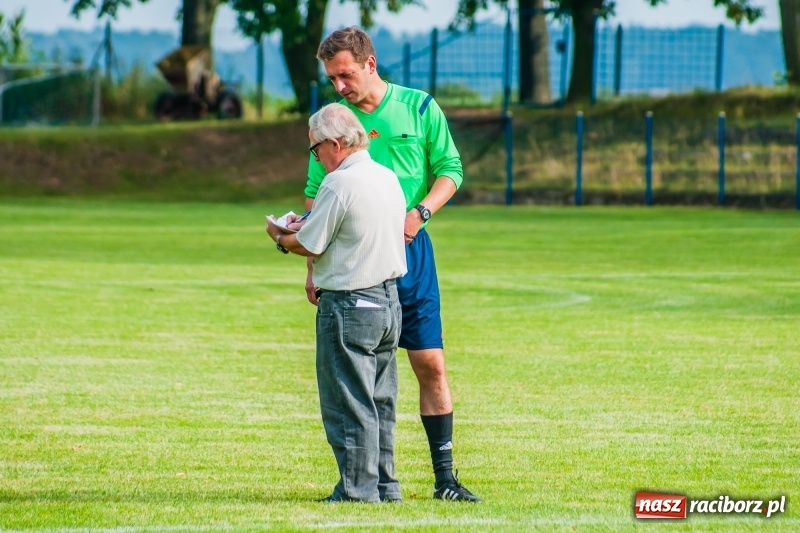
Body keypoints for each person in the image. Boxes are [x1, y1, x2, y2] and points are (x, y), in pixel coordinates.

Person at [303, 26, 482, 502]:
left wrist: (419, 213)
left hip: (410, 248)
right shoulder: (333, 123)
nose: (339, 86)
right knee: (361, 376)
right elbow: (315, 193)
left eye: (345, 75)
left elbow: (451, 170)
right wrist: (311, 268)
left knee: (429, 364)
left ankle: (445, 479)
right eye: (331, 79)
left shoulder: (419, 108)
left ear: (370, 64)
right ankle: (372, 483)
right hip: (356, 256)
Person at [266, 103, 407, 503]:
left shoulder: (339, 183)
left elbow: (310, 243)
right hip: (388, 301)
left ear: (335, 143)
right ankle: (384, 484)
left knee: (348, 402)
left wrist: (278, 234)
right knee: (380, 401)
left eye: (315, 149)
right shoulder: (387, 177)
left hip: (350, 303)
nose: (316, 157)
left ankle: (356, 491)